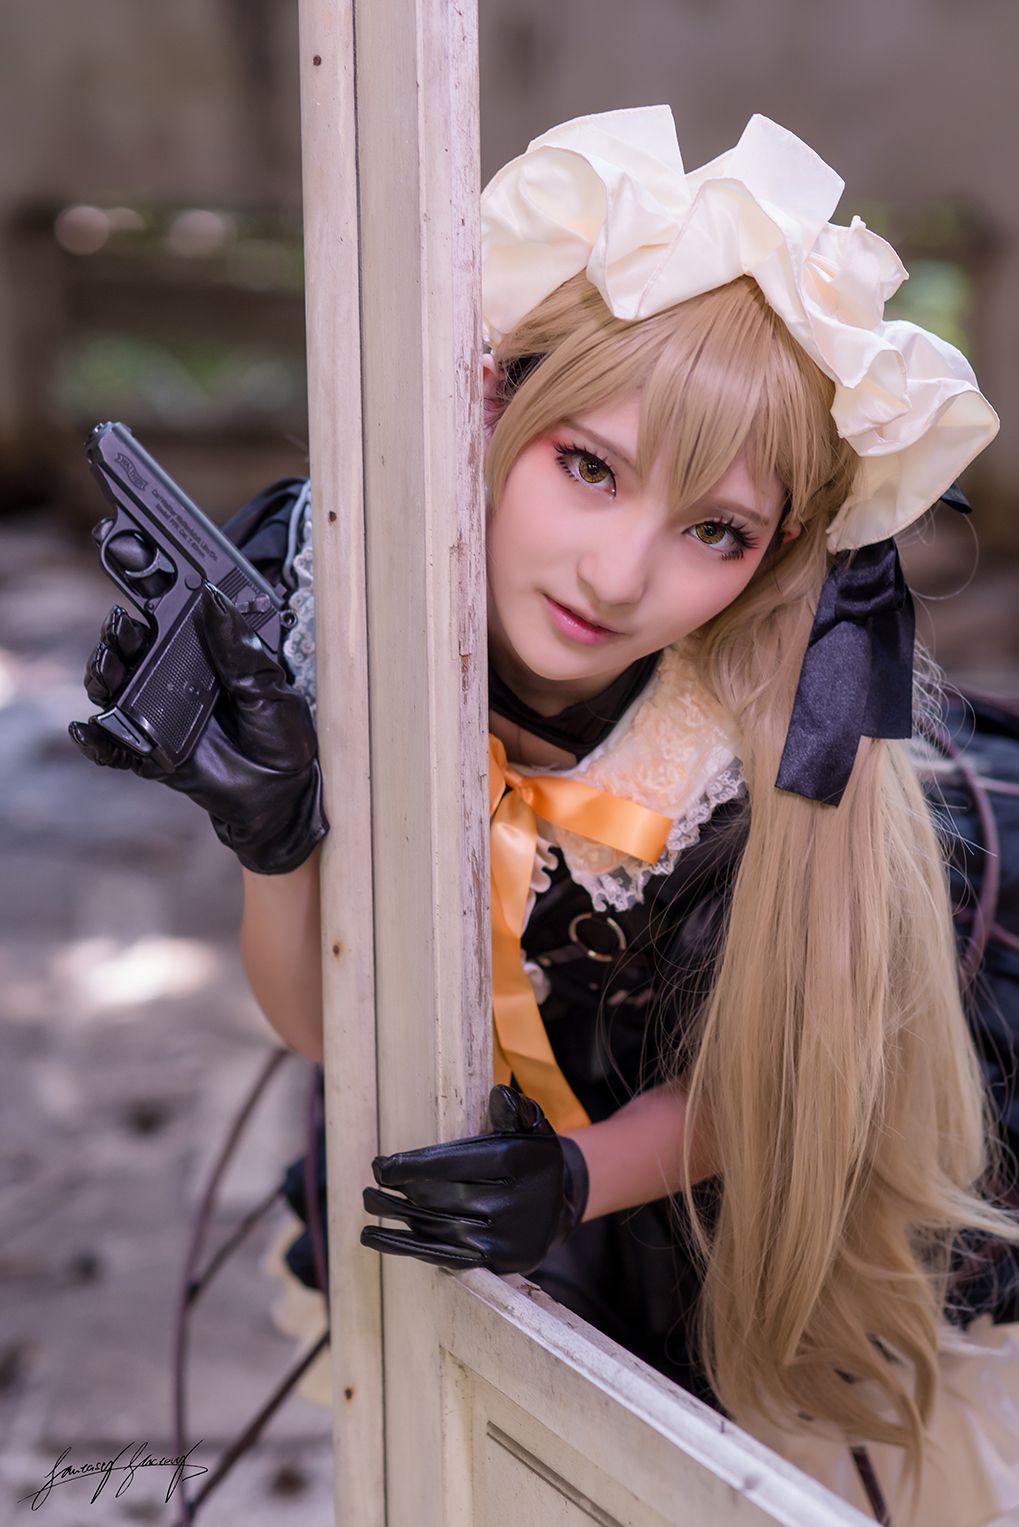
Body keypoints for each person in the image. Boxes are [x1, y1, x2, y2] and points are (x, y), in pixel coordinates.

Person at [69, 107, 1019, 1524]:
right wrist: (274, 844)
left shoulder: (755, 741)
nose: (619, 575)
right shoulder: (343, 597)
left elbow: (784, 1076)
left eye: (714, 531)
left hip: (715, 1169)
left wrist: (579, 1176)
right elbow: (328, 1025)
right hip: (488, 1128)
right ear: (491, 404)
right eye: (590, 466)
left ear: (773, 558)